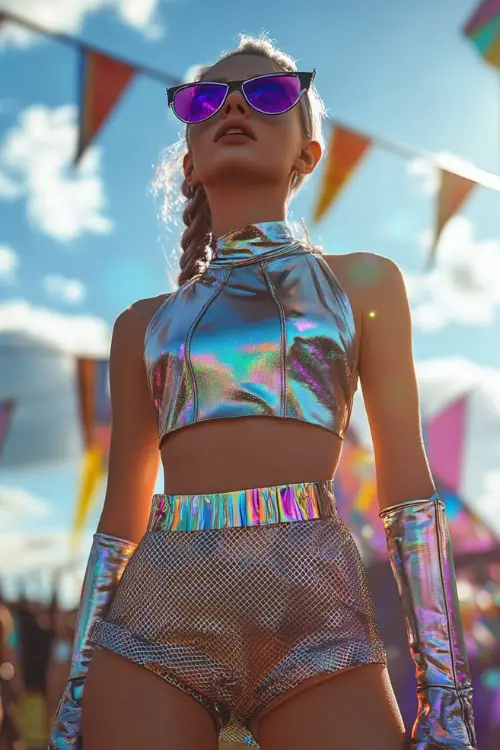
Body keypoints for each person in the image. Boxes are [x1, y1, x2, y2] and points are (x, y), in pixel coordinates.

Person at [49, 34, 477, 750]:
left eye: (272, 94)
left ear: (308, 156)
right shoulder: (142, 327)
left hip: (316, 612)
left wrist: (446, 693)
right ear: (189, 158)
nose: (236, 104)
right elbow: (119, 523)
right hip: (156, 615)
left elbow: (409, 492)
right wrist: (75, 695)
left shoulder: (364, 285)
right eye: (206, 98)